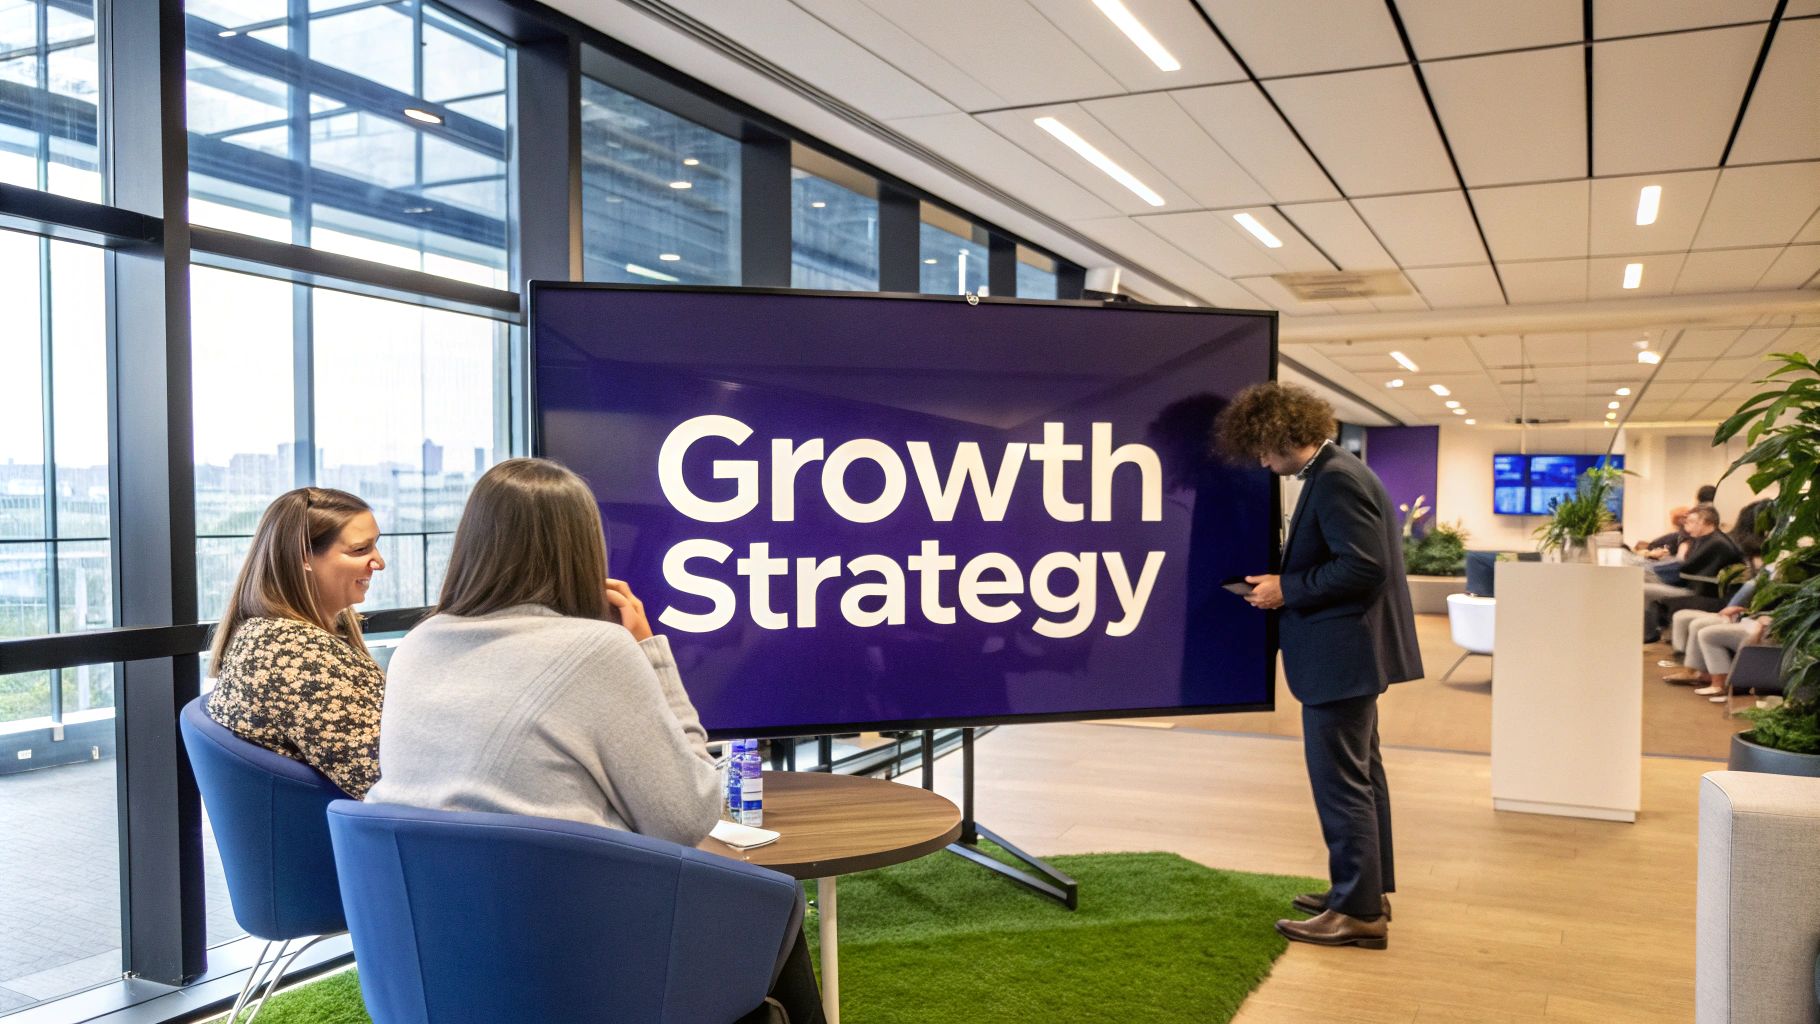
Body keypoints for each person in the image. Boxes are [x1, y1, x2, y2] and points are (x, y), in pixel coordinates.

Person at [366, 458, 823, 1023]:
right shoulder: (598, 650)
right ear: (581, 550)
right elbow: (690, 814)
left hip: (435, 954)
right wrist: (650, 650)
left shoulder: (416, 644)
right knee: (776, 904)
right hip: (571, 954)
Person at [1215, 383, 1421, 951]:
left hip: (1339, 656)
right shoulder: (1342, 469)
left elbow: (1363, 568)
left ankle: (1357, 914)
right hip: (1349, 655)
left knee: (1342, 784)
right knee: (1361, 775)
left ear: (1283, 434)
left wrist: (1287, 588)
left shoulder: (1334, 480)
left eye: (1263, 449)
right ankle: (1362, 892)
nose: (1261, 461)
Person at [205, 487, 388, 798]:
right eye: (360, 550)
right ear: (303, 556)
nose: (379, 562)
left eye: (375, 546)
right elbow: (384, 781)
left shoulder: (268, 636)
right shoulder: (297, 657)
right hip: (348, 835)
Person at [1643, 505, 1742, 642]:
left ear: (1705, 522)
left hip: (1703, 593)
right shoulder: (1708, 540)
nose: (1687, 526)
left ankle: (1649, 636)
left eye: (1691, 522)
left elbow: (1687, 568)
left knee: (1645, 590)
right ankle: (1651, 634)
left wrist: (1654, 570)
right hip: (1696, 586)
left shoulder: (1716, 543)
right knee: (1648, 585)